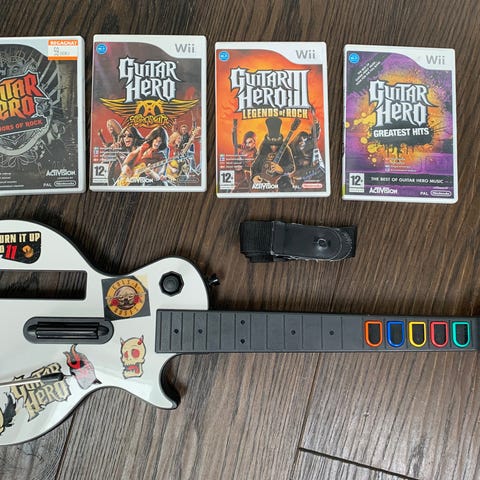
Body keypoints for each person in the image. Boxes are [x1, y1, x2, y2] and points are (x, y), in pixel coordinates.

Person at [251, 117, 295, 191]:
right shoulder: (263, 148)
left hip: (281, 182)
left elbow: (291, 166)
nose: (273, 147)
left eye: (276, 144)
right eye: (271, 144)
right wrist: (255, 176)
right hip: (264, 183)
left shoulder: (286, 149)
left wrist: (282, 169)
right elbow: (255, 165)